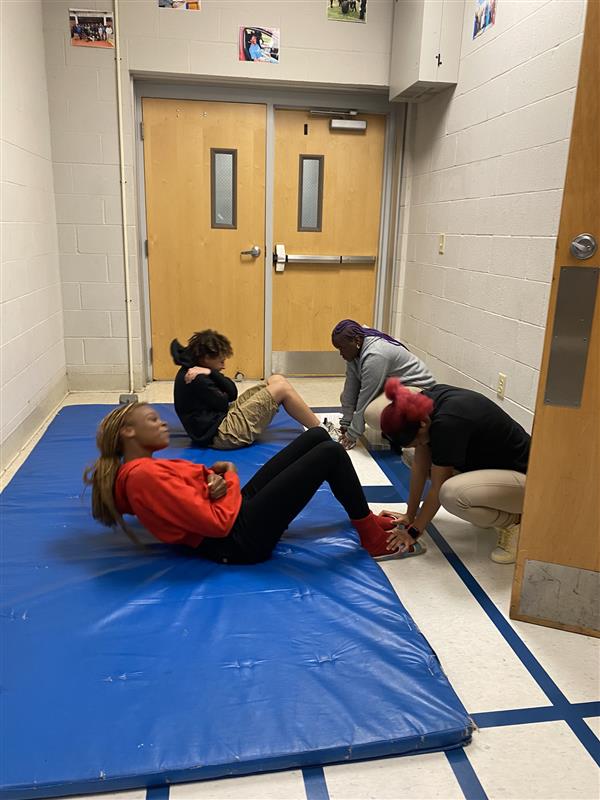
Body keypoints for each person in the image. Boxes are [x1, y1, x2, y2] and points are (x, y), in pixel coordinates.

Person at [83, 403, 421, 563]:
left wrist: (214, 482)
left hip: (233, 516)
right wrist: (228, 476)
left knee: (317, 436)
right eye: (152, 420)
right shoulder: (142, 476)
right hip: (237, 541)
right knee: (330, 453)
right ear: (129, 433)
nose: (162, 424)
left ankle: (365, 519)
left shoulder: (145, 468)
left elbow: (197, 485)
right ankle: (371, 537)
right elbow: (216, 524)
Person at [380, 379, 531, 564]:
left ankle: (515, 521)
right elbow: (420, 465)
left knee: (451, 494)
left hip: (527, 479)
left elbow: (438, 488)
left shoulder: (448, 424)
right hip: (494, 468)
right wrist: (410, 515)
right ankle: (494, 505)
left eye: (417, 442)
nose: (418, 445)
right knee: (412, 457)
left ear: (423, 424)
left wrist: (413, 532)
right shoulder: (422, 407)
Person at [171, 330, 335, 448]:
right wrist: (211, 374)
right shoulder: (196, 378)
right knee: (282, 389)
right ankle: (323, 432)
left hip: (221, 419)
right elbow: (227, 398)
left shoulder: (196, 367)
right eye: (221, 362)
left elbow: (230, 394)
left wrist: (210, 372)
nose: (223, 366)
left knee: (277, 380)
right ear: (206, 358)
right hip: (222, 434)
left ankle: (317, 426)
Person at [331, 319, 436, 450]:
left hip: (421, 389)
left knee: (371, 414)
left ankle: (399, 434)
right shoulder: (355, 346)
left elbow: (365, 398)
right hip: (397, 386)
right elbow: (350, 388)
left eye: (342, 348)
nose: (341, 353)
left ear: (356, 340)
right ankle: (392, 427)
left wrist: (352, 435)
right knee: (345, 396)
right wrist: (346, 423)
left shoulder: (375, 355)